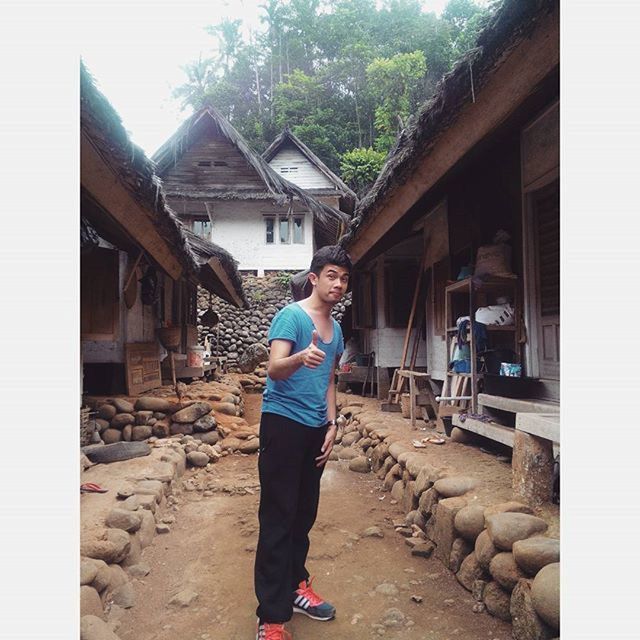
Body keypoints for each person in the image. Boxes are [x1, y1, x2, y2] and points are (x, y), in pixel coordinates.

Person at [254, 245, 352, 640]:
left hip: (315, 429)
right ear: (314, 278)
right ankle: (271, 617)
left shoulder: (337, 329)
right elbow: (274, 368)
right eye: (331, 275)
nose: (338, 284)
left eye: (344, 278)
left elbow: (329, 379)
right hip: (282, 425)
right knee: (278, 517)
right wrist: (300, 357)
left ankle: (296, 587)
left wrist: (332, 424)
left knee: (302, 515)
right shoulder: (291, 317)